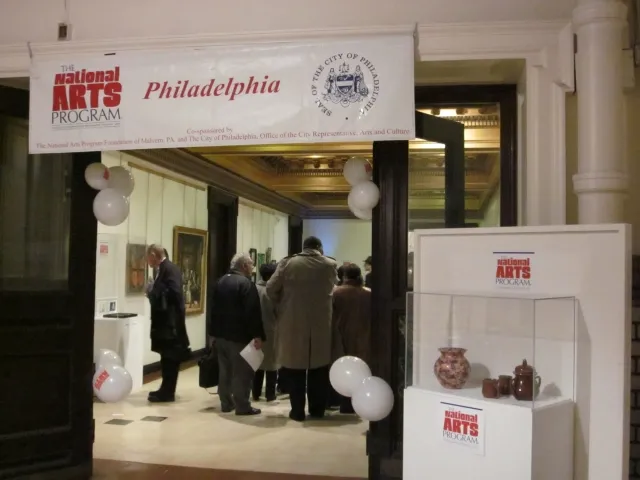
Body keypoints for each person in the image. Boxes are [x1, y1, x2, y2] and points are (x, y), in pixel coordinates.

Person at [267, 236, 338, 421]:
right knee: (319, 370)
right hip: (322, 325)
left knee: (295, 371)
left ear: (303, 247)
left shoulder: (287, 264)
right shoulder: (330, 264)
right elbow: (333, 289)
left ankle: (297, 411)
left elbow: (270, 288)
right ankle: (317, 410)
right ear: (319, 248)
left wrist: (282, 305)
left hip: (292, 324)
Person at [208, 253, 265, 416]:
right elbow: (253, 313)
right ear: (244, 266)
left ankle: (226, 403)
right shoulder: (246, 284)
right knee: (242, 372)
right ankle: (242, 406)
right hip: (239, 336)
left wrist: (212, 334)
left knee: (225, 370)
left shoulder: (221, 281)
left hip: (221, 336)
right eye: (251, 265)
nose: (253, 268)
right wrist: (258, 335)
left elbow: (213, 309)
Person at [145, 244, 191, 403]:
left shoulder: (169, 269)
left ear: (153, 254)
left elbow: (174, 293)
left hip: (170, 325)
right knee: (166, 358)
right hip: (166, 324)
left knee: (170, 358)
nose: (147, 261)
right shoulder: (163, 269)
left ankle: (167, 391)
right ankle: (165, 389)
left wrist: (153, 292)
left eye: (148, 257)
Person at [332, 264, 372, 413]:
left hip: (341, 336)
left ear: (343, 277)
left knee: (342, 371)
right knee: (360, 370)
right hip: (364, 337)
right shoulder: (368, 293)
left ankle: (342, 403)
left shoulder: (336, 293)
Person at [252, 263, 279, 402]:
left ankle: (255, 393)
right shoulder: (273, 291)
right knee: (272, 364)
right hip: (272, 329)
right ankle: (270, 394)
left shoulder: (253, 288)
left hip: (255, 331)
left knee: (257, 363)